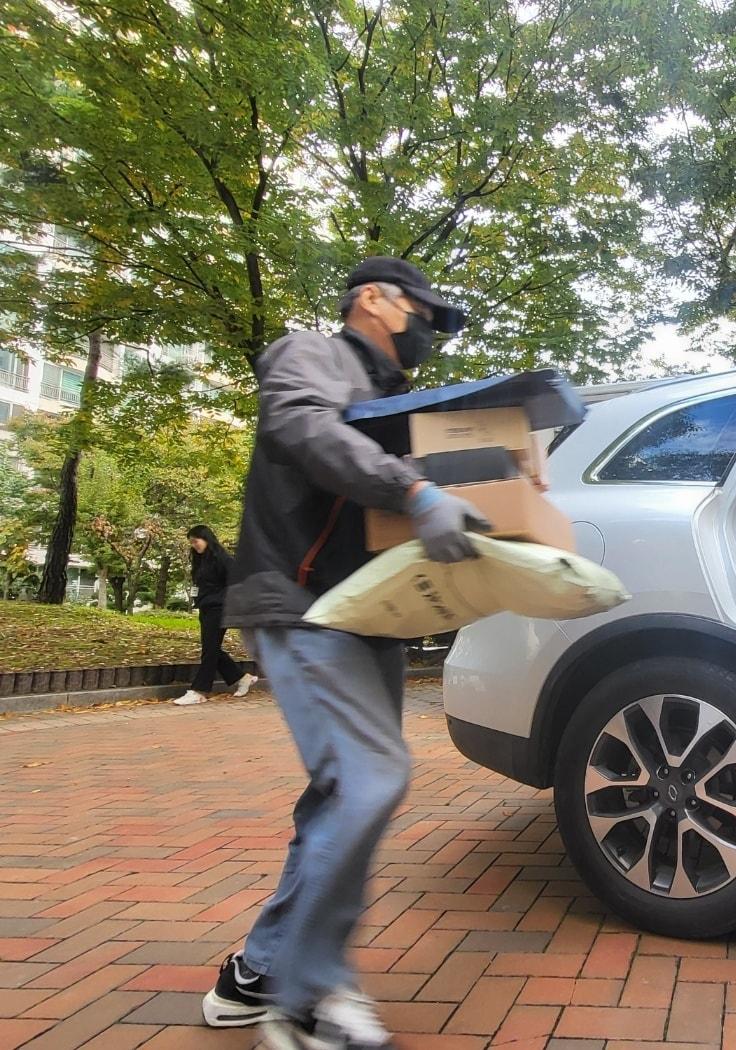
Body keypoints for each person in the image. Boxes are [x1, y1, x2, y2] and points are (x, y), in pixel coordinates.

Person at [200, 258, 485, 1050]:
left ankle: (259, 974)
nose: (428, 330)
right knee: (370, 778)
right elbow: (304, 427)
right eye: (423, 312)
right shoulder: (311, 354)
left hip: (369, 619)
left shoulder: (401, 403)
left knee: (341, 796)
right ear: (372, 298)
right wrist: (415, 492)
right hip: (301, 605)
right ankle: (308, 999)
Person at [173, 525, 258, 706]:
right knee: (211, 648)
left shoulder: (223, 559)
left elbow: (237, 583)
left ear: (206, 539)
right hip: (206, 608)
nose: (194, 545)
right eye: (191, 542)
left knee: (209, 650)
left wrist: (225, 600)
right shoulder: (201, 561)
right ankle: (243, 678)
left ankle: (199, 691)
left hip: (220, 609)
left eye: (196, 541)